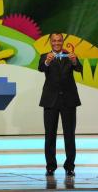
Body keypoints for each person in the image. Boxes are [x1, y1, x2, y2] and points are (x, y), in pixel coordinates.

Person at [38, 32, 83, 177]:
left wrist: (75, 61)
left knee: (69, 135)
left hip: (69, 101)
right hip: (50, 101)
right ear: (50, 42)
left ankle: (69, 166)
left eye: (59, 40)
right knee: (49, 135)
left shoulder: (70, 56)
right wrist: (47, 62)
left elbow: (79, 68)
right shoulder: (45, 57)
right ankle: (50, 166)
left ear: (62, 41)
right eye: (54, 41)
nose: (57, 43)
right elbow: (41, 68)